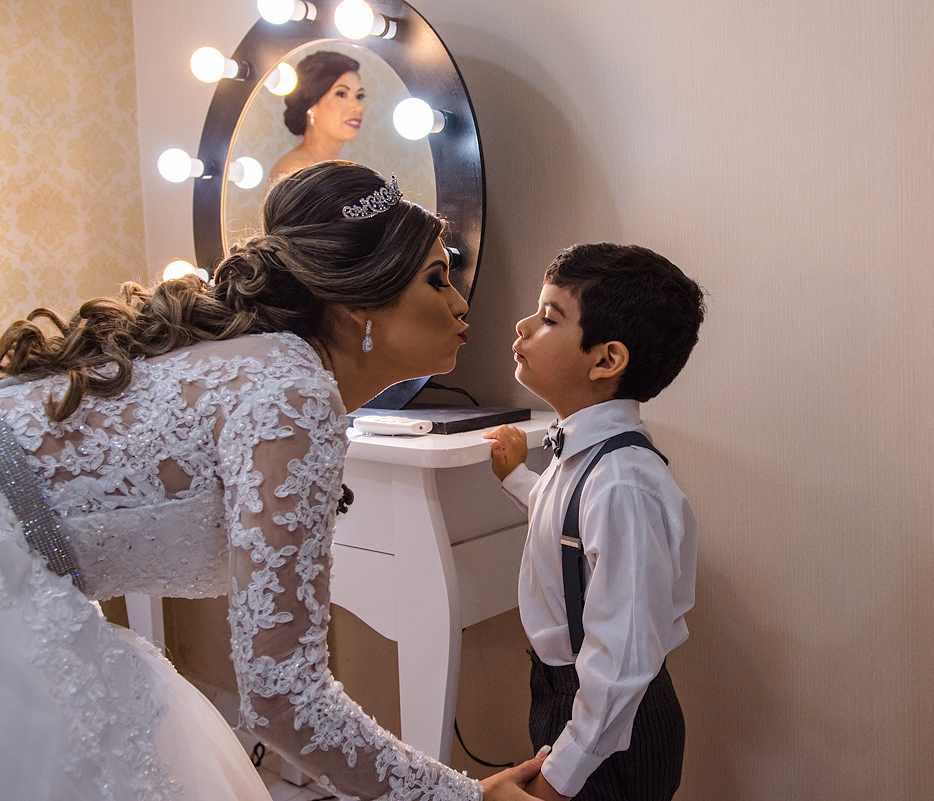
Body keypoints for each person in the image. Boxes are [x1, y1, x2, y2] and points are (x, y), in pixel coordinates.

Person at [0, 161, 546, 801]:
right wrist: (463, 797)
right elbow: (282, 693)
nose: (460, 305)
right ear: (356, 304)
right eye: (436, 279)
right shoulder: (292, 393)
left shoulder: (269, 368)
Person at [482, 244, 706, 801]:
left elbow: (623, 659)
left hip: (611, 723)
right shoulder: (587, 458)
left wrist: (560, 779)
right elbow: (570, 532)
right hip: (570, 699)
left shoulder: (622, 483)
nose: (523, 324)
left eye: (550, 317)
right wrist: (518, 480)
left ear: (606, 360)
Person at [270, 51, 366, 181]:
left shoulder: (328, 166)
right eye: (342, 94)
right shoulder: (300, 170)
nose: (357, 107)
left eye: (359, 96)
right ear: (311, 104)